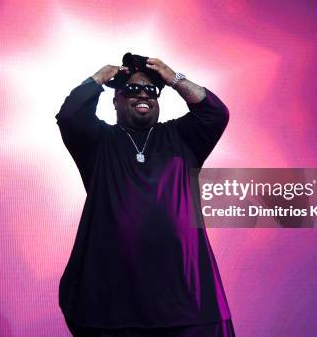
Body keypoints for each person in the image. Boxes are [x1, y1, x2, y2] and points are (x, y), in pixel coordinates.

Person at [56, 54, 235, 337]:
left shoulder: (182, 137)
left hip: (187, 301)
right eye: (131, 89)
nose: (143, 95)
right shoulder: (98, 142)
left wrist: (173, 78)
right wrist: (101, 76)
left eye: (151, 90)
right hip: (114, 303)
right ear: (115, 100)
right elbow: (70, 116)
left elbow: (215, 113)